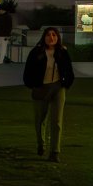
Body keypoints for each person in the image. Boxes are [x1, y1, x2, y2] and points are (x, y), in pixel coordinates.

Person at [23, 27, 75, 161]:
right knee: (40, 120)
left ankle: (55, 152)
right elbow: (28, 71)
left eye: (54, 35)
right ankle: (41, 144)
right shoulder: (36, 53)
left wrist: (66, 84)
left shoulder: (62, 52)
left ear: (57, 37)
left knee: (57, 121)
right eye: (48, 35)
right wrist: (32, 85)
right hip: (41, 88)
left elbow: (69, 70)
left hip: (58, 88)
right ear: (44, 37)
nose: (51, 38)